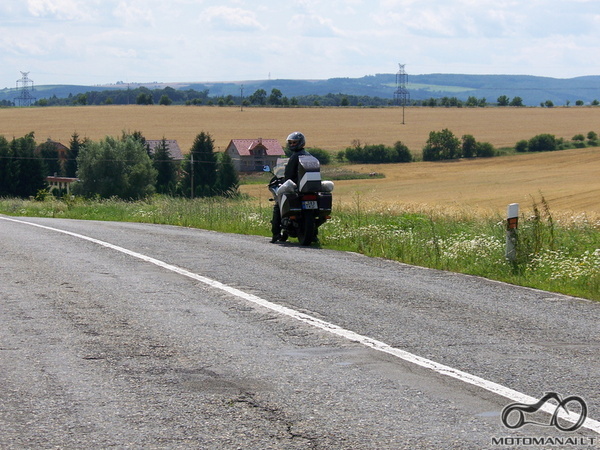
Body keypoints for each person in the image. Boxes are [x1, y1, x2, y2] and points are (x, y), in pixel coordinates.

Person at [270, 131, 310, 243]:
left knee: (278, 205)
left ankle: (276, 234)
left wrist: (283, 181)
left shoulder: (294, 157)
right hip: (308, 188)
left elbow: (288, 174)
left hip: (296, 187)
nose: (292, 144)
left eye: (294, 142)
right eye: (291, 143)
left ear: (300, 142)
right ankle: (313, 234)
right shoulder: (309, 156)